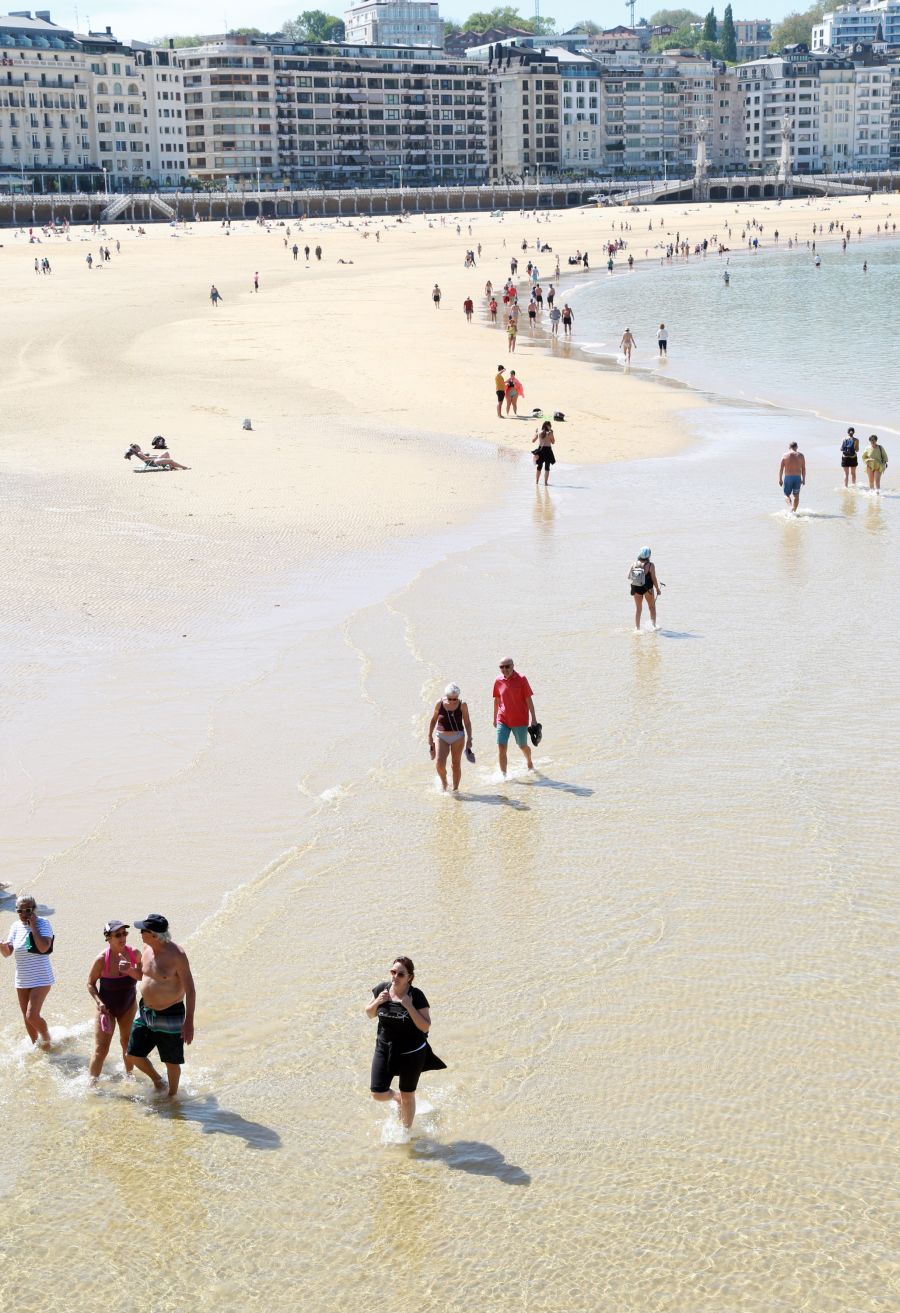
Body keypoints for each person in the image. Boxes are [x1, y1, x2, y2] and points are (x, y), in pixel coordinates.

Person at [366, 956, 445, 1131]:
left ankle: (405, 1133)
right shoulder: (382, 989)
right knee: (377, 1093)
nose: (395, 977)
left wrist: (409, 1006)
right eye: (393, 972)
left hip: (412, 1052)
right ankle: (397, 1098)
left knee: (408, 1095)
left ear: (409, 977)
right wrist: (378, 1001)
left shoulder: (416, 996)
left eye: (400, 974)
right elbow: (369, 1014)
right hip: (385, 1048)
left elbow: (425, 1026)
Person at [126, 914, 195, 1097]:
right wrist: (129, 971)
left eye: (143, 931)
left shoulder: (177, 956)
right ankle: (158, 1080)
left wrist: (189, 1022)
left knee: (171, 1061)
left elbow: (191, 990)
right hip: (146, 1011)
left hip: (171, 1014)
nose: (140, 933)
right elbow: (144, 976)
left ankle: (172, 1097)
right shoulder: (147, 948)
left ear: (155, 935)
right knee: (133, 1054)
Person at [87, 920, 141, 1081]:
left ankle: (129, 1078)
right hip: (106, 1008)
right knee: (101, 1049)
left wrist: (131, 970)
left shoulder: (135, 954)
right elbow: (90, 983)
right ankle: (92, 1085)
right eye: (118, 934)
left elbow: (145, 976)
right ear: (108, 938)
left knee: (127, 1044)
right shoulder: (102, 959)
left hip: (128, 1005)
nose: (122, 937)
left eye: (125, 933)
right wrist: (99, 1002)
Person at [1, 893, 54, 1049]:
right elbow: (7, 953)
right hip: (22, 978)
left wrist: (34, 927)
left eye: (28, 910)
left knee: (32, 1015)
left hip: (42, 977)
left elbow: (44, 947)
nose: (24, 914)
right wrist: (1, 945)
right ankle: (35, 1046)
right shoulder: (15, 926)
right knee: (27, 1017)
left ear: (34, 909)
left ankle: (47, 1042)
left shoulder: (44, 923)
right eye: (20, 911)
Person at [493, 658, 536, 776]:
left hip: (520, 719)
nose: (504, 669)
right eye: (501, 667)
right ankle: (503, 775)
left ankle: (529, 761)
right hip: (503, 718)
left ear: (513, 666)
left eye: (507, 666)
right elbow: (497, 700)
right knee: (501, 746)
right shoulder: (498, 680)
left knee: (522, 746)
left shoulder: (522, 679)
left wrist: (534, 718)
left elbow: (528, 699)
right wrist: (494, 717)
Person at [427, 683, 473, 791]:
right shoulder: (439, 703)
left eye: (454, 699)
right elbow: (434, 719)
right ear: (446, 696)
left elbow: (467, 723)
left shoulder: (463, 705)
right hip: (441, 736)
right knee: (439, 764)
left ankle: (455, 789)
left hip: (458, 737)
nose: (452, 701)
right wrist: (429, 736)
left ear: (458, 696)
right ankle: (444, 783)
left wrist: (470, 738)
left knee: (455, 765)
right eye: (450, 699)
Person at [628, 546, 661, 632]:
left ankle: (637, 628)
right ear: (648, 555)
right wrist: (657, 589)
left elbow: (628, 576)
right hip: (647, 588)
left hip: (636, 588)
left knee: (638, 609)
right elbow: (654, 578)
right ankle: (653, 627)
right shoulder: (650, 565)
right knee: (652, 607)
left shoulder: (634, 564)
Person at [779, 441, 806, 511]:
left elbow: (781, 468)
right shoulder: (801, 456)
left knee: (786, 495)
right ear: (796, 447)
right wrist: (804, 479)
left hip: (788, 478)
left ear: (789, 447)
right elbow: (803, 469)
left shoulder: (785, 455)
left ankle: (790, 507)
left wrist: (780, 479)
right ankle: (794, 512)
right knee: (796, 496)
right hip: (797, 478)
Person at [532, 420, 556, 486]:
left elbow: (533, 440)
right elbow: (553, 442)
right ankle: (545, 483)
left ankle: (537, 482)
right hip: (548, 450)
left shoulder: (539, 432)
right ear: (548, 426)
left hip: (540, 450)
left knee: (539, 466)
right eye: (550, 426)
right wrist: (551, 434)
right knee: (547, 467)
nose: (550, 427)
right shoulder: (550, 433)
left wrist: (536, 433)